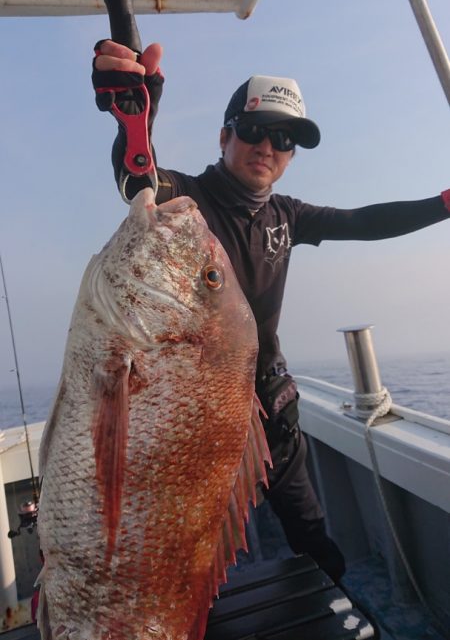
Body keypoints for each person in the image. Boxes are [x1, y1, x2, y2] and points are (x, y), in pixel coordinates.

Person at [93, 40, 450, 582]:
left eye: (284, 139)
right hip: (196, 421)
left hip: (272, 409)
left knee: (315, 540)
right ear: (224, 136)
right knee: (189, 556)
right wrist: (136, 123)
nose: (268, 147)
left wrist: (444, 204)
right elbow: (138, 180)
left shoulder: (288, 215)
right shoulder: (183, 200)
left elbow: (364, 221)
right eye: (254, 130)